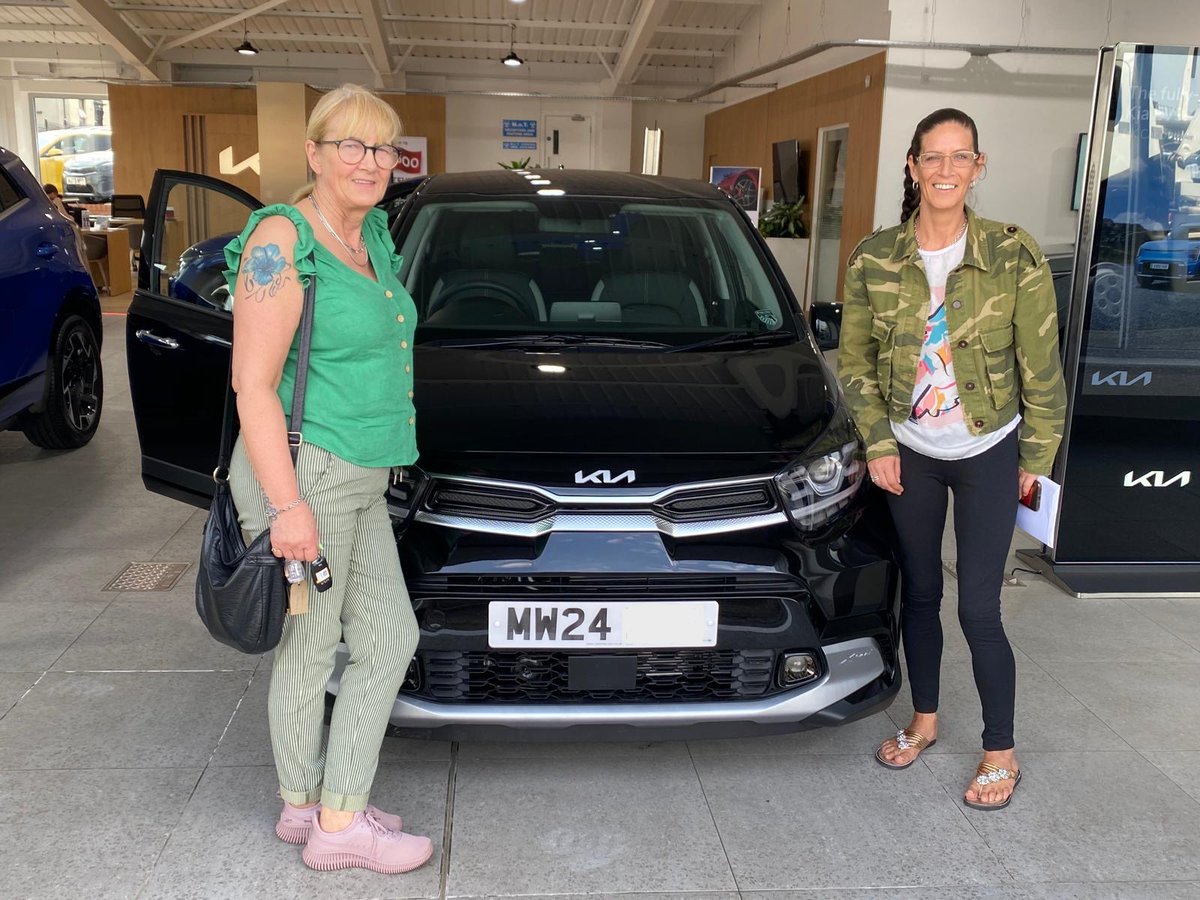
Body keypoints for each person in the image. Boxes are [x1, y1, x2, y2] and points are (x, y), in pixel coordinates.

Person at [223, 84, 431, 873]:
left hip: (360, 476)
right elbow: (252, 385)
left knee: (383, 638)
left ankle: (308, 805)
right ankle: (337, 828)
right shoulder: (283, 239)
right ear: (313, 153)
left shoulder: (373, 234)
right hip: (307, 472)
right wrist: (288, 507)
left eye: (382, 148)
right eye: (350, 145)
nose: (369, 162)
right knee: (317, 649)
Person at [838, 108, 1066, 810]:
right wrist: (877, 442)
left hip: (990, 449)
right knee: (921, 594)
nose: (944, 170)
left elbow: (1043, 367)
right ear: (912, 167)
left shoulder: (1011, 253)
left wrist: (1036, 457)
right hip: (910, 452)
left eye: (958, 157)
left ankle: (1001, 748)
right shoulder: (875, 258)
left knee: (978, 609)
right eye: (931, 158)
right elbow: (855, 364)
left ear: (978, 166)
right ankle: (927, 720)